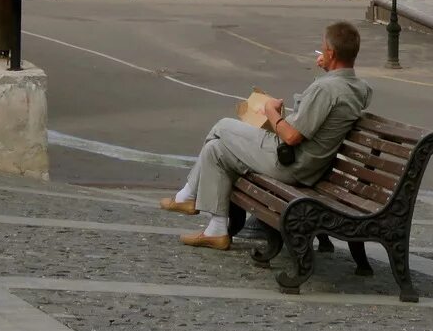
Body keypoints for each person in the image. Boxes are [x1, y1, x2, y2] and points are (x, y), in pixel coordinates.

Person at [159, 21, 372, 250]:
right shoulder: (359, 88)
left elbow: (291, 137)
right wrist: (330, 70)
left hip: (290, 162)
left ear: (330, 53)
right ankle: (217, 230)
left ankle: (187, 195)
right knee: (216, 150)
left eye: (323, 49)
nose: (320, 52)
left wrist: (271, 112)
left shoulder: (326, 89)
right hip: (308, 163)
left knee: (222, 126)